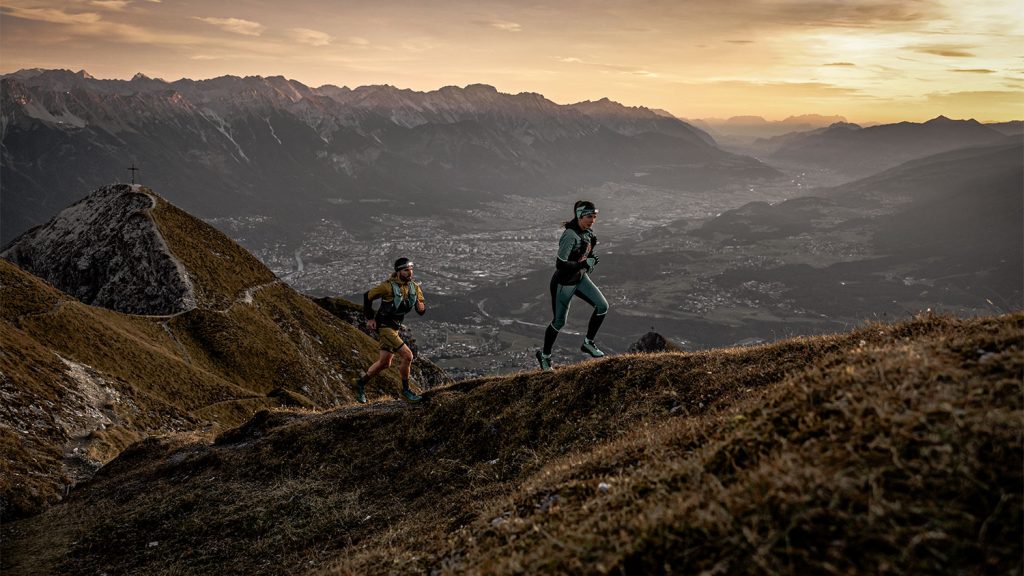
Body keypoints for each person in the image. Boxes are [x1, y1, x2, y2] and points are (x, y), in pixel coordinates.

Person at [536, 200, 609, 371]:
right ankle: (545, 357)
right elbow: (560, 264)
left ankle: (588, 343)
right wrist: (584, 264)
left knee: (602, 306)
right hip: (564, 283)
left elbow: (584, 255)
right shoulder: (570, 235)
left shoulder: (588, 233)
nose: (592, 220)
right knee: (559, 322)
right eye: (589, 216)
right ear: (579, 216)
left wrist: (589, 261)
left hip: (580, 278)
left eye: (594, 217)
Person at [353, 257, 426, 403]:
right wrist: (370, 319)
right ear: (398, 271)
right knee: (408, 356)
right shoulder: (387, 287)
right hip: (384, 326)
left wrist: (420, 306)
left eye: (411, 270)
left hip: (395, 327)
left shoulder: (415, 287)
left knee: (385, 363)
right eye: (406, 270)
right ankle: (406, 391)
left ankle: (360, 383)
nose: (410, 273)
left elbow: (421, 310)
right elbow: (367, 296)